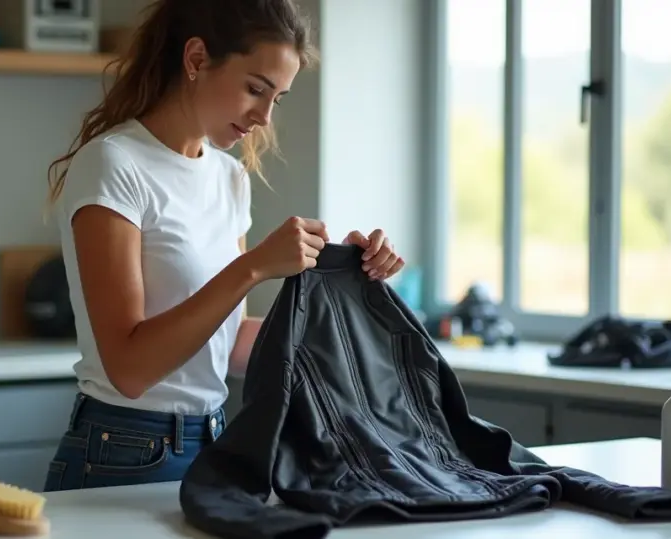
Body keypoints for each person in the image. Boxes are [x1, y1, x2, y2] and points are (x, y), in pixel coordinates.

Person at [41, 0, 406, 492]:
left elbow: (228, 345)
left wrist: (350, 282)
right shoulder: (113, 164)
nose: (264, 117)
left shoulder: (229, 178)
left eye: (277, 99)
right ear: (196, 59)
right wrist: (254, 267)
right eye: (255, 89)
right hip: (120, 450)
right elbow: (129, 369)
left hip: (212, 442)